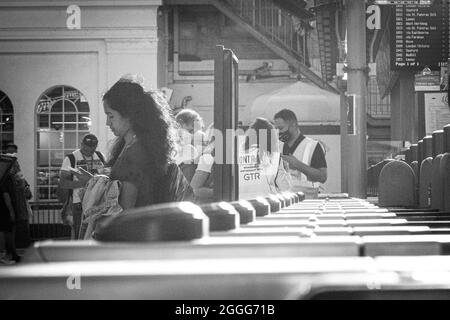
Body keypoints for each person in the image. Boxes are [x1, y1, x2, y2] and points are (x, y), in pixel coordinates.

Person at [83, 77, 191, 210]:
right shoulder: (139, 146)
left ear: (129, 115)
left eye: (111, 116)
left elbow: (124, 209)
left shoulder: (134, 153)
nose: (107, 123)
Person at [58, 134, 106, 239]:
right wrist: (85, 183)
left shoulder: (100, 156)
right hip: (79, 204)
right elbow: (63, 183)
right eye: (87, 146)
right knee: (80, 234)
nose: (90, 149)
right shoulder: (71, 158)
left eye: (93, 147)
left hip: (98, 203)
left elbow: (107, 176)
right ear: (82, 144)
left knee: (96, 235)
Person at [274, 109, 327, 198]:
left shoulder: (313, 146)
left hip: (307, 204)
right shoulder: (276, 147)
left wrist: (297, 164)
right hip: (283, 204)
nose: (279, 132)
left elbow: (322, 177)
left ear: (293, 125)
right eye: (276, 129)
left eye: (281, 128)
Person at [243, 118, 292, 195]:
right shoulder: (274, 157)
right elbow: (284, 186)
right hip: (266, 202)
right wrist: (287, 171)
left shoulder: (236, 154)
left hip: (240, 203)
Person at [0, 159, 21, 263]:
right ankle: (9, 255)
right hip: (6, 210)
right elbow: (6, 195)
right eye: (16, 164)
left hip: (5, 209)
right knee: (8, 232)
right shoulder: (7, 178)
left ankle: (12, 254)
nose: (18, 166)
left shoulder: (6, 177)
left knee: (8, 232)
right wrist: (11, 211)